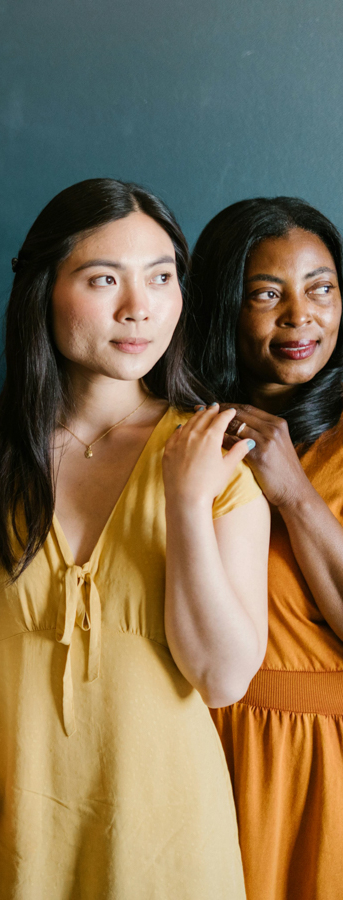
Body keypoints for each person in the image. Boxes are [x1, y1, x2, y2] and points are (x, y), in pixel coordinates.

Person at [0, 179, 271, 900]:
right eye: (103, 278)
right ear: (46, 290)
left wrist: (182, 496)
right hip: (4, 821)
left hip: (163, 833)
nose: (139, 307)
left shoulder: (215, 455)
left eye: (162, 277)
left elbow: (223, 677)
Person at [189, 197, 343, 900]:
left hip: (324, 762)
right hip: (200, 745)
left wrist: (292, 492)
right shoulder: (179, 438)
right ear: (223, 305)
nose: (300, 316)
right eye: (267, 294)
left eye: (321, 289)